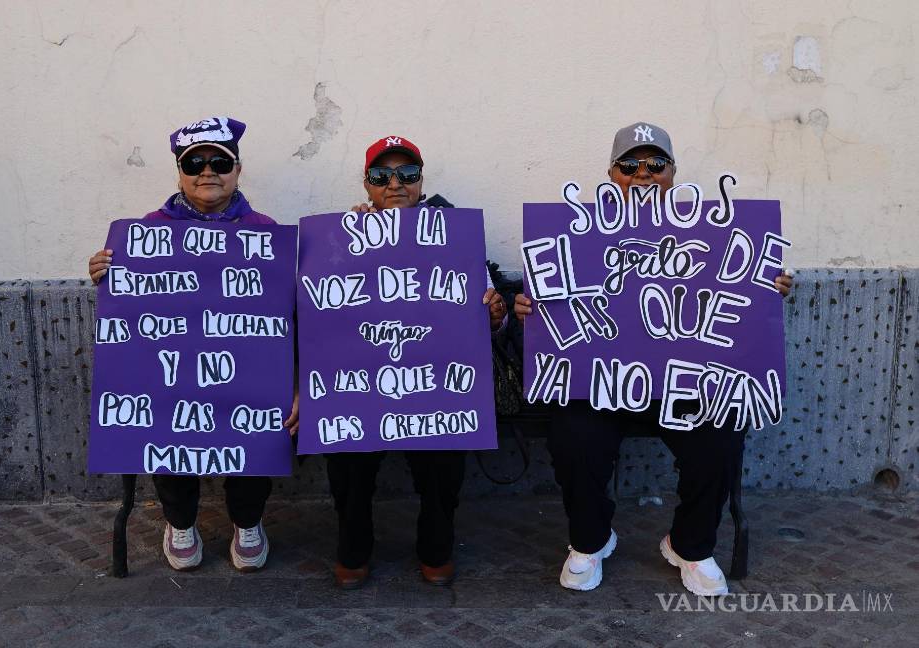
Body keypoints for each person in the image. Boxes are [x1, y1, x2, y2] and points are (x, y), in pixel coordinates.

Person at [514, 123, 793, 596]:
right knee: (574, 438)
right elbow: (549, 296)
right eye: (630, 165)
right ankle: (590, 541)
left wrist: (768, 287)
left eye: (655, 164)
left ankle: (690, 545)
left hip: (687, 382)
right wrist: (530, 308)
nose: (643, 173)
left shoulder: (716, 232)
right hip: (598, 379)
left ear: (673, 172)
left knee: (719, 439)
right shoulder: (575, 232)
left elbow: (744, 289)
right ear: (611, 174)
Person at [88, 116, 299, 572]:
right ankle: (180, 522)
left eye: (220, 162)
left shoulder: (265, 230)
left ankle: (248, 522)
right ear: (180, 173)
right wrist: (107, 273)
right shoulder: (146, 232)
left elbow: (287, 308)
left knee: (252, 440)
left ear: (237, 171)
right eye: (195, 163)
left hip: (246, 372)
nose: (208, 172)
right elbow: (131, 307)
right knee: (169, 435)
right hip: (172, 369)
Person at [327, 135, 507, 589]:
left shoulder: (455, 234)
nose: (394, 183)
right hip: (360, 381)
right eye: (381, 175)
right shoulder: (338, 238)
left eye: (407, 174)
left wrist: (494, 314)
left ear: (421, 182)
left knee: (443, 456)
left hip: (434, 382)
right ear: (366, 184)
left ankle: (436, 546)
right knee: (347, 454)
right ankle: (353, 547)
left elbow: (487, 320)